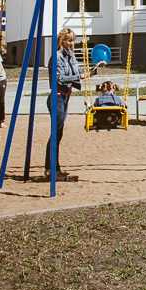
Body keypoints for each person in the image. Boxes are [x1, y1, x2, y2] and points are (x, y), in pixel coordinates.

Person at [45, 28, 102, 182]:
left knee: (59, 133)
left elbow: (79, 71)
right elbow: (59, 78)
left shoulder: (71, 56)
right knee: (56, 132)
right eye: (68, 40)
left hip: (65, 97)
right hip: (57, 97)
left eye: (72, 41)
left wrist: (94, 69)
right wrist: (80, 76)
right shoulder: (56, 57)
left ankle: (51, 167)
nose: (71, 44)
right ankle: (52, 169)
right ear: (61, 41)